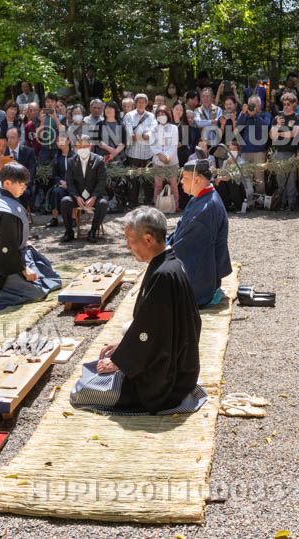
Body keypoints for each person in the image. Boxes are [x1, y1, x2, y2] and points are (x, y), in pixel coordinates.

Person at [70, 206, 206, 414]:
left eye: (130, 240)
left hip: (165, 383)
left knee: (82, 391)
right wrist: (123, 346)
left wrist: (120, 362)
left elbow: (150, 334)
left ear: (149, 239)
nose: (128, 247)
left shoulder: (163, 274)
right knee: (93, 369)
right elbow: (152, 326)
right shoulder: (170, 263)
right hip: (175, 365)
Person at [0, 163, 62, 303]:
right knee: (37, 292)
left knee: (51, 277)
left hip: (13, 252)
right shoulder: (6, 210)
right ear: (7, 183)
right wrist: (24, 270)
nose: (24, 188)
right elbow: (6, 245)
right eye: (21, 184)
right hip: (3, 260)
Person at [168, 151, 232, 306]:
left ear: (197, 180)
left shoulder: (206, 208)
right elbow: (179, 229)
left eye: (185, 178)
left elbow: (184, 249)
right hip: (202, 267)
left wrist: (161, 253)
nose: (181, 181)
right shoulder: (201, 198)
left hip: (202, 283)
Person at [61, 135, 108, 243]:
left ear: (90, 146)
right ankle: (69, 232)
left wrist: (94, 197)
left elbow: (102, 181)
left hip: (94, 196)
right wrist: (76, 197)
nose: (81, 149)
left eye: (84, 146)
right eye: (78, 146)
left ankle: (93, 231)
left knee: (103, 203)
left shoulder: (99, 160)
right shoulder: (71, 161)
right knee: (65, 202)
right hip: (77, 196)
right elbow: (70, 182)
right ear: (75, 148)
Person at [269, 92, 299, 211]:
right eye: (284, 104)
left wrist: (280, 133)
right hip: (278, 152)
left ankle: (291, 204)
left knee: (290, 181)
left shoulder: (297, 117)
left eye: (288, 104)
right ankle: (282, 203)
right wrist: (277, 126)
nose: (285, 106)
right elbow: (272, 136)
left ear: (294, 104)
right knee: (280, 180)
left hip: (291, 152)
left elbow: (294, 134)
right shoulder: (277, 118)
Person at [123, 93, 157, 207]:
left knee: (148, 179)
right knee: (133, 179)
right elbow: (130, 136)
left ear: (147, 103)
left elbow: (153, 134)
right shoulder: (129, 116)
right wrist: (143, 135)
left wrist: (140, 136)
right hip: (133, 153)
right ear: (135, 103)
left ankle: (147, 202)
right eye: (139, 102)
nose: (141, 104)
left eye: (143, 102)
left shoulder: (152, 117)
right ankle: (132, 203)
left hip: (148, 154)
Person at [151, 104, 180, 211]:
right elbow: (152, 144)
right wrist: (160, 155)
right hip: (158, 161)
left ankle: (175, 205)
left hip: (171, 161)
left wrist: (167, 156)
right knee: (158, 185)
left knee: (173, 184)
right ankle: (157, 205)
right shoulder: (154, 128)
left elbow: (174, 144)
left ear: (168, 115)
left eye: (163, 114)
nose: (161, 116)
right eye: (159, 114)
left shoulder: (174, 128)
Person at [45, 134, 75, 228]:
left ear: (68, 141)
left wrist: (69, 184)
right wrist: (61, 182)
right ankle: (54, 218)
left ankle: (73, 218)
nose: (60, 142)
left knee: (73, 193)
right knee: (55, 192)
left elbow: (79, 174)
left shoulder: (75, 156)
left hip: (74, 185)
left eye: (62, 140)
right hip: (62, 184)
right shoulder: (57, 157)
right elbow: (54, 175)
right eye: (58, 141)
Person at [3, 127, 36, 209]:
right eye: (8, 138)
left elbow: (32, 171)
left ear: (19, 139)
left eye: (13, 138)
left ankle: (22, 216)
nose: (9, 140)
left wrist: (21, 184)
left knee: (24, 193)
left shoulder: (28, 151)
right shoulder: (3, 152)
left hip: (23, 184)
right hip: (7, 184)